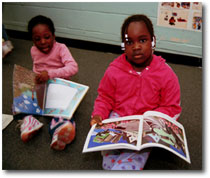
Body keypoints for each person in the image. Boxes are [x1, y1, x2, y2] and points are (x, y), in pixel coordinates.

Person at [90, 14, 181, 170]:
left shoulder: (165, 73)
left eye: (143, 40)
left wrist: (150, 119)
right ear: (123, 45)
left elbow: (171, 107)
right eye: (129, 42)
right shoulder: (114, 70)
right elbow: (105, 98)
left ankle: (131, 158)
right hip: (120, 116)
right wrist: (98, 115)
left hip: (147, 122)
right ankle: (118, 152)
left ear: (153, 40)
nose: (136, 46)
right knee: (107, 162)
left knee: (136, 153)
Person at [19, 15, 78, 150]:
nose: (43, 42)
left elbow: (73, 67)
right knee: (20, 96)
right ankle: (29, 122)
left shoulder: (61, 48)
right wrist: (35, 77)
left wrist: (50, 74)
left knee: (63, 109)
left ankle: (59, 130)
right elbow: (37, 68)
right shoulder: (33, 50)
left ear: (54, 36)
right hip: (42, 89)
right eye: (37, 39)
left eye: (47, 37)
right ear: (32, 40)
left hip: (60, 88)